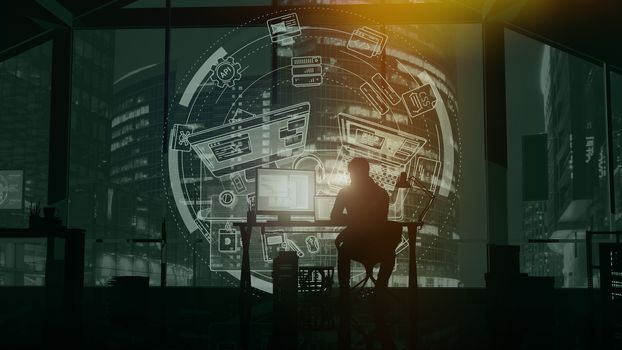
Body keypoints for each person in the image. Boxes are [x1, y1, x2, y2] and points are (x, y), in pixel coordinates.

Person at [331, 157, 398, 292]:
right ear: (367, 172)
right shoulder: (382, 193)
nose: (351, 177)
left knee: (343, 251)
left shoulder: (345, 192)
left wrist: (353, 219)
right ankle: (380, 291)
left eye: (352, 174)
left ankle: (344, 292)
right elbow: (380, 223)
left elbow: (334, 217)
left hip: (356, 244)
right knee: (390, 255)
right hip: (378, 246)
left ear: (353, 173)